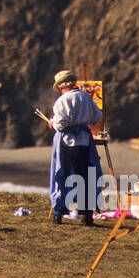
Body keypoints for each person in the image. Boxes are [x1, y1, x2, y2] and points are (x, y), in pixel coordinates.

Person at [45, 69, 104, 226]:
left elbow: (61, 124)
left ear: (61, 86)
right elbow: (97, 117)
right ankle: (87, 215)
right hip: (85, 141)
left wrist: (52, 123)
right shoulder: (86, 97)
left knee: (62, 176)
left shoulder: (61, 101)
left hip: (67, 143)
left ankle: (59, 213)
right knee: (86, 177)